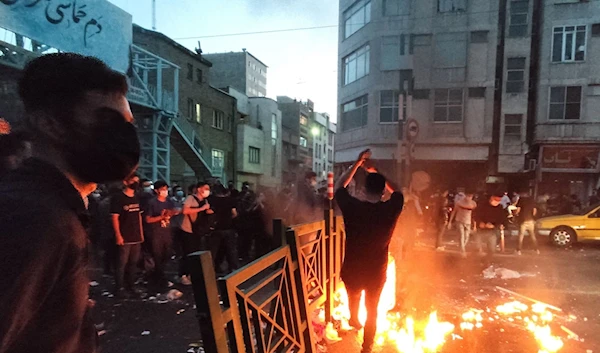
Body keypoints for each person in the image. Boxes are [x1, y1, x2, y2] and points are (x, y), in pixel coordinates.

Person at [0, 53, 139, 353]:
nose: (124, 137)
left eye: (128, 124)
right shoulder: (35, 218)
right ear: (50, 124)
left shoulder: (57, 207)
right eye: (107, 120)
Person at [335, 149, 404, 353]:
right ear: (383, 192)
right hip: (376, 271)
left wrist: (357, 163)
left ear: (363, 191)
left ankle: (354, 318)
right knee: (372, 309)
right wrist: (377, 169)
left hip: (352, 269)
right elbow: (398, 190)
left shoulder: (353, 207)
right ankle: (367, 347)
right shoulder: (390, 209)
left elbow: (340, 186)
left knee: (353, 297)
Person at [111, 174, 145, 298]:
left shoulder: (136, 197)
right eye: (133, 180)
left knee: (133, 263)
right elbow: (115, 218)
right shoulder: (118, 198)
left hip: (136, 237)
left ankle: (131, 285)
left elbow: (139, 217)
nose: (135, 183)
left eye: (137, 180)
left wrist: (141, 234)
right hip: (125, 237)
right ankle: (119, 287)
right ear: (125, 182)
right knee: (121, 264)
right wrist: (118, 235)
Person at [145, 180, 180, 288]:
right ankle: (159, 278)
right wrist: (161, 217)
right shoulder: (152, 203)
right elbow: (148, 219)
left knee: (167, 254)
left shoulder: (169, 201)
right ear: (156, 190)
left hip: (167, 231)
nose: (165, 191)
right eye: (162, 189)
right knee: (157, 255)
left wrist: (173, 212)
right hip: (156, 232)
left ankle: (157, 275)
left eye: (166, 189)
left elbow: (174, 210)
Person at [178, 182, 213, 284]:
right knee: (187, 252)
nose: (207, 190)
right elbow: (184, 211)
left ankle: (191, 274)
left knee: (195, 252)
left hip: (198, 230)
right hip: (188, 229)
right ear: (198, 189)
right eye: (205, 188)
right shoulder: (190, 198)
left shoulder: (205, 200)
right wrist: (201, 209)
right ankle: (183, 274)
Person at [208, 185, 240, 274]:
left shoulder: (212, 200)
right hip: (228, 228)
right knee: (231, 250)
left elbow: (209, 212)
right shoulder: (231, 200)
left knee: (213, 251)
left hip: (216, 228)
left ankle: (210, 269)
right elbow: (234, 214)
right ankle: (233, 270)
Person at [474, 194, 508, 260]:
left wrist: (497, 225)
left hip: (492, 232)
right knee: (477, 249)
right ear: (492, 198)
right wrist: (480, 222)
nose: (497, 202)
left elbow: (502, 219)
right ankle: (473, 263)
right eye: (496, 200)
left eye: (499, 200)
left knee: (492, 250)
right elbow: (475, 215)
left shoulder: (499, 208)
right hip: (481, 231)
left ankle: (486, 262)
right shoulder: (482, 206)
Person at [449, 191, 477, 258]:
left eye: (470, 196)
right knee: (461, 235)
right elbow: (454, 211)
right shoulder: (459, 203)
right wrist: (450, 221)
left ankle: (461, 248)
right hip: (459, 220)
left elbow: (475, 215)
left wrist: (475, 225)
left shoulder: (473, 204)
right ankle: (462, 251)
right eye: (468, 196)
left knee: (467, 237)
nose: (469, 198)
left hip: (468, 222)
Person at [515, 190, 539, 255]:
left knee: (521, 236)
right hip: (531, 220)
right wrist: (533, 217)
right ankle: (536, 250)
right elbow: (534, 211)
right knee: (532, 235)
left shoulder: (521, 200)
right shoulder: (532, 200)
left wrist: (515, 214)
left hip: (523, 220)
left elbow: (518, 210)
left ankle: (519, 250)